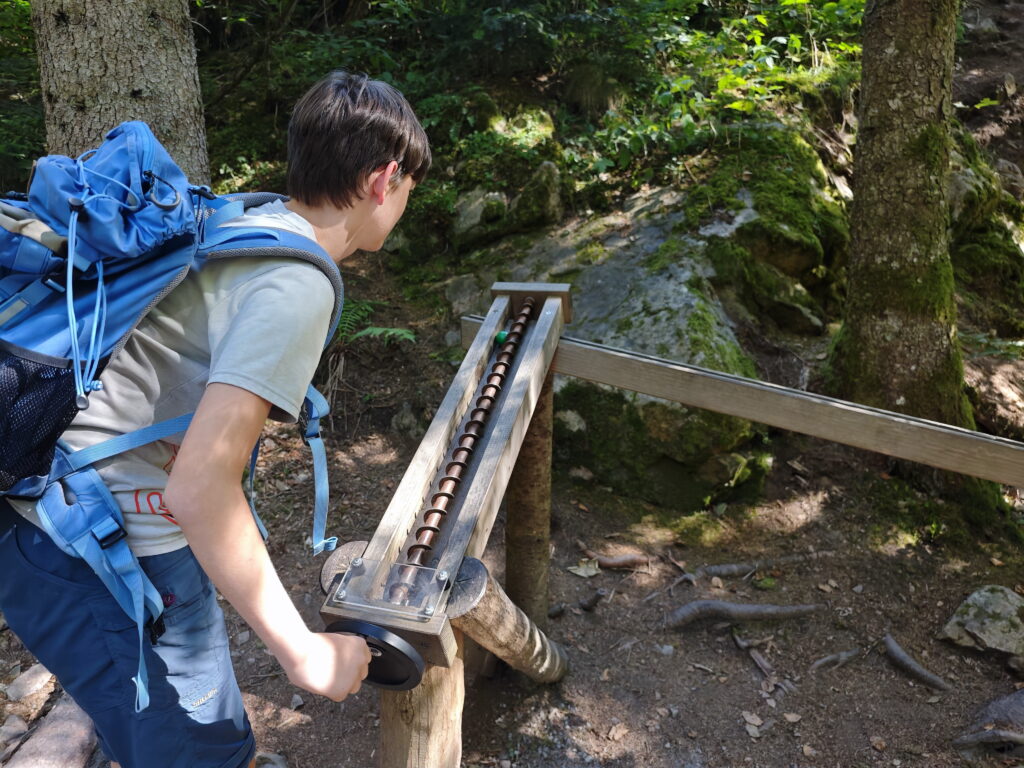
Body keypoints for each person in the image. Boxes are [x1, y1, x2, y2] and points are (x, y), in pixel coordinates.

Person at [0, 70, 430, 768]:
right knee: (199, 750)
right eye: (410, 187)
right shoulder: (296, 280)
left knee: (155, 730)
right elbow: (200, 488)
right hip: (89, 537)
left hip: (44, 506)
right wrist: (306, 656)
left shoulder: (241, 219)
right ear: (384, 180)